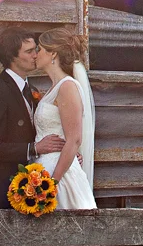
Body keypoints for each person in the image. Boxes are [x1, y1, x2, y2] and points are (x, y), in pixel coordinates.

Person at [0, 29, 65, 209]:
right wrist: (34, 148)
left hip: (32, 187)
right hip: (3, 190)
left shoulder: (31, 89)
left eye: (36, 49)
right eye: (29, 51)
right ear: (12, 57)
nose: (36, 55)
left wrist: (64, 151)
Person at [31, 27, 97, 209]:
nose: (36, 54)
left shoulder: (67, 87)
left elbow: (74, 139)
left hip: (60, 174)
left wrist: (52, 184)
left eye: (40, 49)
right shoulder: (54, 89)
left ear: (53, 53)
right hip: (43, 167)